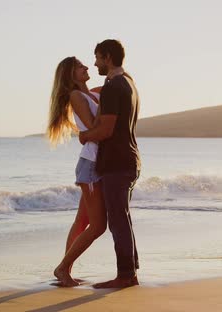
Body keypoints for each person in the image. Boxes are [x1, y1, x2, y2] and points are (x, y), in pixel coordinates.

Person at [79, 39, 141, 288]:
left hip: (117, 162)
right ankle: (130, 272)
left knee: (117, 219)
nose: (94, 63)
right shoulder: (128, 83)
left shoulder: (116, 85)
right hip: (127, 159)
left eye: (97, 57)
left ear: (108, 57)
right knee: (122, 217)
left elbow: (105, 129)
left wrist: (84, 136)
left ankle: (125, 276)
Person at [47, 56, 107, 287]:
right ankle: (63, 268)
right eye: (80, 66)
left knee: (82, 221)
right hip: (91, 164)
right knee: (98, 225)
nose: (86, 67)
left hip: (97, 163)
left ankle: (66, 271)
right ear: (70, 75)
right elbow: (94, 128)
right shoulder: (77, 96)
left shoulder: (93, 91)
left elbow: (121, 82)